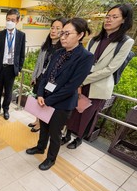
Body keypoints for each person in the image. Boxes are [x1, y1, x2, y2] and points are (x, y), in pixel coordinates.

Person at [25, 18, 94, 170]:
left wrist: (48, 101)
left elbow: (71, 87)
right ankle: (40, 147)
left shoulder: (85, 57)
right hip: (46, 98)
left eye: (67, 34)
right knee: (43, 126)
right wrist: (41, 95)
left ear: (80, 35)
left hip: (62, 104)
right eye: (62, 33)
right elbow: (45, 75)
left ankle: (51, 159)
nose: (62, 37)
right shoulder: (58, 52)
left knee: (55, 133)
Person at [63, 4, 134, 149]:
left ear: (123, 20)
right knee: (74, 109)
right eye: (108, 16)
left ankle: (79, 138)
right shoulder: (94, 39)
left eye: (114, 17)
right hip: (82, 82)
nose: (109, 20)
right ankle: (67, 134)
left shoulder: (126, 42)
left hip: (98, 85)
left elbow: (110, 69)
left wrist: (82, 81)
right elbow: (82, 61)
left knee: (87, 114)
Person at [28, 18, 66, 131]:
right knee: (37, 98)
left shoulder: (63, 48)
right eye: (52, 27)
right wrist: (34, 76)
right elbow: (38, 62)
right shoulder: (46, 45)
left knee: (44, 101)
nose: (53, 30)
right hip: (40, 77)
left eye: (57, 28)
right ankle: (37, 120)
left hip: (51, 81)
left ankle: (41, 123)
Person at [0, 9, 26, 120]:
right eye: (8, 19)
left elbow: (21, 54)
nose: (10, 22)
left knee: (8, 92)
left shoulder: (21, 35)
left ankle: (6, 110)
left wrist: (19, 68)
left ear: (18, 21)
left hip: (11, 69)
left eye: (13, 20)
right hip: (0, 68)